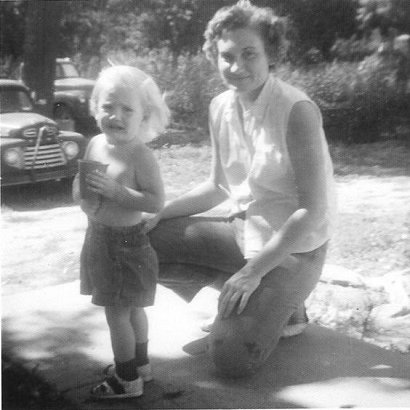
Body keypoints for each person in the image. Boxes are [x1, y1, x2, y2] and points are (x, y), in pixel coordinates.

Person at [145, 0, 336, 377]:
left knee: (230, 360)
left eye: (249, 54)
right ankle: (242, 300)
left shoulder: (297, 109)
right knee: (138, 241)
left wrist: (253, 273)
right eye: (226, 56)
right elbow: (217, 185)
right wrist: (157, 214)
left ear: (271, 54)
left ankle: (284, 307)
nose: (237, 67)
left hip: (295, 250)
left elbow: (312, 209)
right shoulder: (220, 106)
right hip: (244, 232)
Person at [73, 65, 169, 398]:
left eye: (128, 109)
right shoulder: (96, 144)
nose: (117, 115)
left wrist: (118, 194)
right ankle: (140, 365)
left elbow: (156, 202)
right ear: (95, 106)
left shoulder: (141, 156)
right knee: (130, 310)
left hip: (126, 245)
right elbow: (82, 185)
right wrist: (82, 196)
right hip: (99, 238)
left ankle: (126, 379)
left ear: (144, 117)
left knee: (119, 314)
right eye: (108, 106)